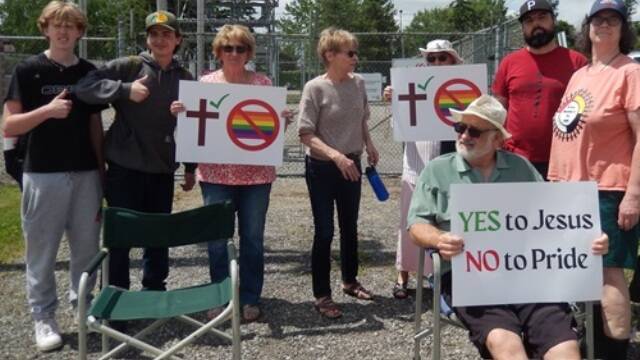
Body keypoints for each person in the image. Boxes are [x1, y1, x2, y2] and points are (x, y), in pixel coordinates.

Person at [408, 94, 609, 360]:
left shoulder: (521, 169)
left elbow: (554, 217)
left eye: (475, 131)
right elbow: (417, 224)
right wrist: (440, 239)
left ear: (497, 140)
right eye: (460, 127)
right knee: (507, 347)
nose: (464, 135)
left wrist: (589, 238)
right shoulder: (437, 170)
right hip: (470, 278)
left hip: (528, 274)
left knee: (565, 351)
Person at [170, 24, 292, 323]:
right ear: (218, 52)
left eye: (240, 48)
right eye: (228, 48)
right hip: (215, 176)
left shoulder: (263, 85)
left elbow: (268, 133)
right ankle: (220, 296)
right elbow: (193, 131)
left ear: (249, 52)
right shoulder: (204, 85)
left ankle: (250, 297)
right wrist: (181, 116)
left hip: (257, 177)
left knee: (252, 238)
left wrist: (282, 122)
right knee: (216, 240)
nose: (234, 53)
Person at [1, 1, 104, 351]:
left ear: (79, 32)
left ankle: (84, 306)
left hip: (85, 171)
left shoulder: (88, 71)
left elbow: (94, 123)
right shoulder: (28, 70)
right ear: (45, 29)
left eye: (70, 26)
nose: (63, 31)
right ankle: (43, 316)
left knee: (87, 247)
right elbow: (9, 124)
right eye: (57, 25)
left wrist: (101, 166)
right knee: (42, 250)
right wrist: (46, 111)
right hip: (43, 172)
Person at [75, 11, 195, 294]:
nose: (160, 39)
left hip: (161, 169)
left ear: (178, 40)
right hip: (124, 167)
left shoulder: (185, 77)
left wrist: (190, 167)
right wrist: (124, 89)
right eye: (154, 34)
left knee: (157, 235)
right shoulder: (129, 67)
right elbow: (83, 87)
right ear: (147, 39)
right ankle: (115, 295)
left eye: (167, 34)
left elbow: (194, 126)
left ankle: (154, 290)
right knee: (120, 237)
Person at [548, 1, 639, 358]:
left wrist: (634, 194)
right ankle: (594, 340)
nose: (604, 25)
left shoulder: (628, 73)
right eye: (598, 19)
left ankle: (616, 350)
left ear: (622, 28)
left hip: (607, 189)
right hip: (571, 189)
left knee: (608, 273)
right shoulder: (581, 74)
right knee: (582, 272)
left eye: (612, 20)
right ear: (587, 28)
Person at [297, 27, 380, 319]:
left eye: (355, 52)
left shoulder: (357, 85)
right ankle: (321, 294)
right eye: (350, 52)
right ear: (330, 55)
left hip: (352, 163)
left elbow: (361, 119)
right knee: (324, 231)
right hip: (321, 167)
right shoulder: (314, 88)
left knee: (350, 226)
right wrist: (335, 156)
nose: (355, 57)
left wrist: (368, 144)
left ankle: (349, 280)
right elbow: (305, 133)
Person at [383, 39, 462, 299]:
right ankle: (402, 275)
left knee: (444, 223)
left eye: (442, 58)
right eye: (432, 59)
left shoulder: (462, 89)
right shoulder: (412, 86)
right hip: (416, 165)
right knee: (410, 222)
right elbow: (401, 125)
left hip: (449, 168)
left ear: (452, 60)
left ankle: (441, 277)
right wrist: (393, 100)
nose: (437, 63)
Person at [492, 0, 587, 179]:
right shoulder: (509, 63)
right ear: (522, 28)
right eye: (529, 21)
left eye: (542, 18)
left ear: (553, 20)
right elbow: (498, 108)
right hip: (515, 158)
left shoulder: (577, 62)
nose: (536, 24)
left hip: (564, 159)